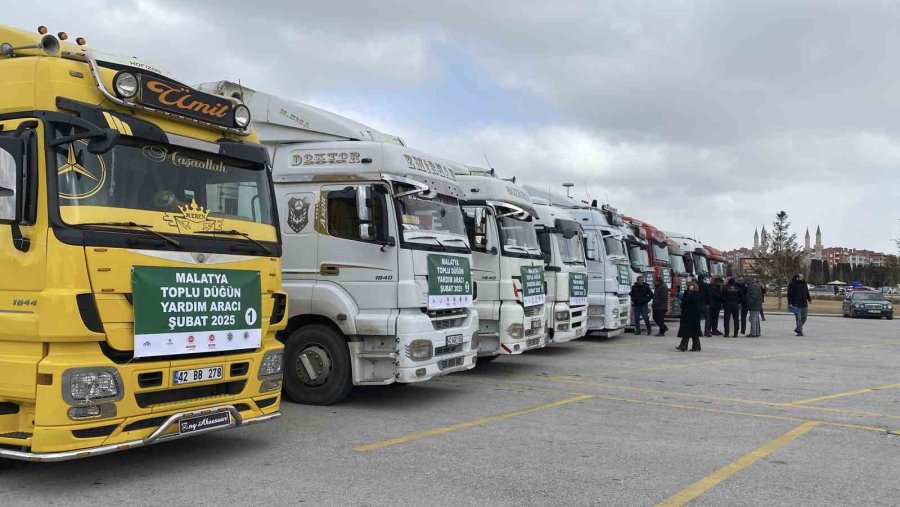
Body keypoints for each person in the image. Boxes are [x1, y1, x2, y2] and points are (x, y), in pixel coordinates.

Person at [676, 280, 703, 351]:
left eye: (686, 286)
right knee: (694, 332)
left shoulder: (693, 294)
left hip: (691, 315)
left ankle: (684, 346)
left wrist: (688, 292)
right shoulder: (691, 294)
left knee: (687, 331)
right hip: (691, 315)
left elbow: (686, 301)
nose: (685, 287)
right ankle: (696, 346)